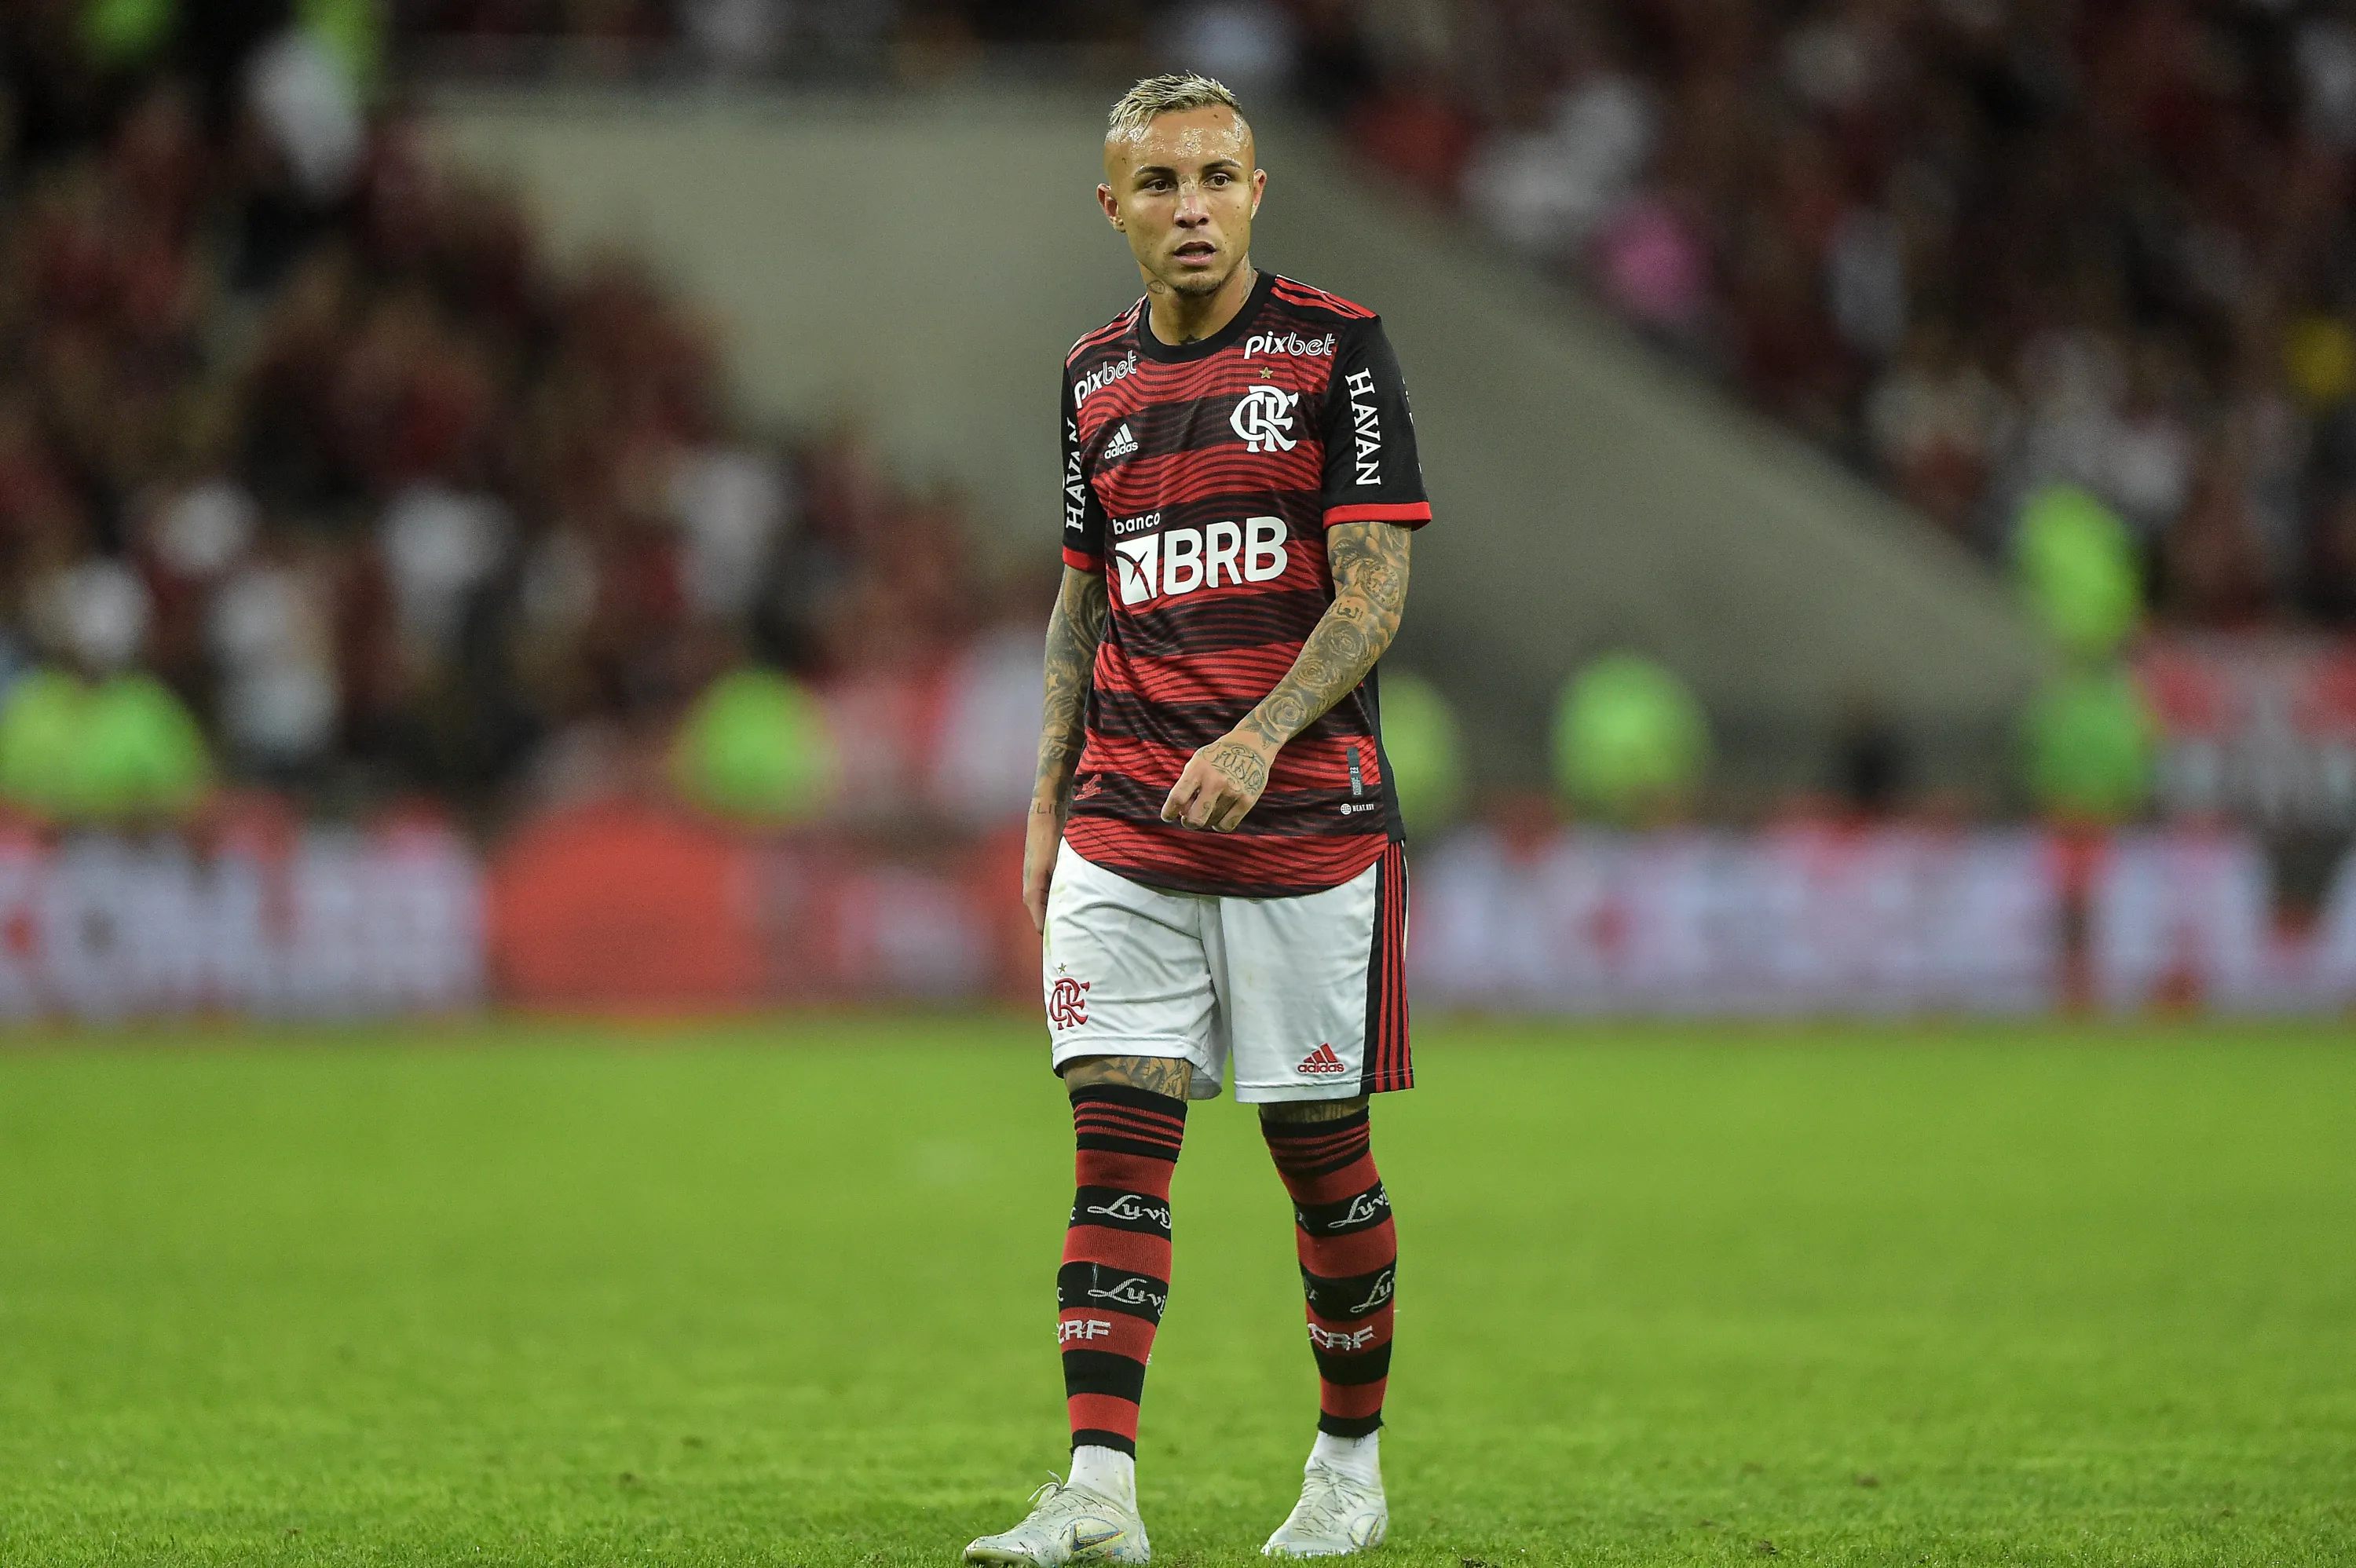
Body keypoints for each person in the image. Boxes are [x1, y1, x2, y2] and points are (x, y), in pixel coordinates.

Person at [964, 73, 1429, 1566]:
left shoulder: (1335, 352)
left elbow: (1374, 588)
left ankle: (1348, 1468)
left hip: (1301, 822)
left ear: (1257, 189)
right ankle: (1100, 1493)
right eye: (1160, 185)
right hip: (1127, 816)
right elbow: (1083, 593)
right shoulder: (1092, 376)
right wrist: (1047, 802)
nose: (1192, 208)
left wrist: (1260, 731)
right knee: (1116, 1136)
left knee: (1317, 1147)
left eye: (1218, 178)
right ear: (1114, 207)